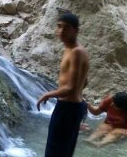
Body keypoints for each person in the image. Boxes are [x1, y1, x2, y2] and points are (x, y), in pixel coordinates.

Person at [37, 13, 89, 157]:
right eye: (59, 27)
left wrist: (48, 94)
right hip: (72, 109)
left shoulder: (76, 52)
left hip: (68, 109)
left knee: (55, 152)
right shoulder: (71, 49)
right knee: (62, 151)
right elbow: (84, 82)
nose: (61, 31)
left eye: (66, 28)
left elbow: (71, 88)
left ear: (76, 31)